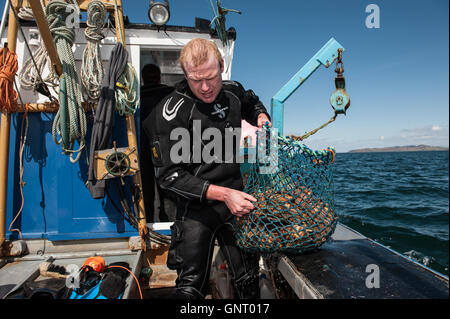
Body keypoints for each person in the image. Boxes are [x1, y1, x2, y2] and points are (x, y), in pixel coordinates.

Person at [143, 38, 272, 299]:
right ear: (185, 74)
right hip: (195, 209)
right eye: (195, 79)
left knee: (248, 281)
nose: (204, 87)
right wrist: (224, 194)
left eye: (211, 78)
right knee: (190, 289)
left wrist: (261, 116)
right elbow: (169, 177)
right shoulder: (169, 113)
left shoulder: (233, 90)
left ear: (222, 67)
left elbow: (250, 101)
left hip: (236, 202)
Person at [140, 64, 176, 222]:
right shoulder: (168, 93)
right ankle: (167, 224)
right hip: (163, 150)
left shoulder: (137, 95)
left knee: (148, 192)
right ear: (159, 77)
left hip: (145, 149)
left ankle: (149, 222)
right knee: (166, 191)